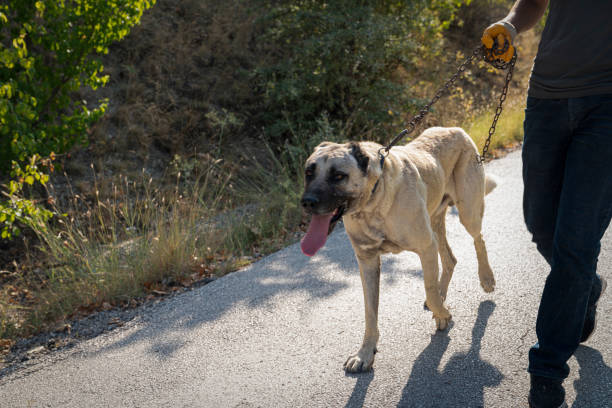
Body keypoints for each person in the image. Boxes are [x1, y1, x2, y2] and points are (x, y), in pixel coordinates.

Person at [481, 1, 611, 407]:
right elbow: (534, 3)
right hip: (546, 99)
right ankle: (584, 286)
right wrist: (509, 24)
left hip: (607, 106)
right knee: (541, 226)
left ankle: (546, 372)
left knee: (576, 242)